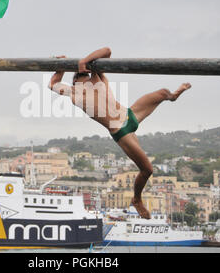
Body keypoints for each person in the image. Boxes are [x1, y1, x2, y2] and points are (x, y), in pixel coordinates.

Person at [48, 47, 191, 218]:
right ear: (75, 83)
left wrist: (84, 61)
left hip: (130, 114)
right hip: (121, 131)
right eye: (79, 80)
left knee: (163, 93)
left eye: (85, 77)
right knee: (147, 169)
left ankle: (173, 96)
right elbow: (52, 85)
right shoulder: (73, 93)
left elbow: (107, 51)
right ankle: (137, 200)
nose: (83, 83)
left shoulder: (98, 76)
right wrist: (61, 66)